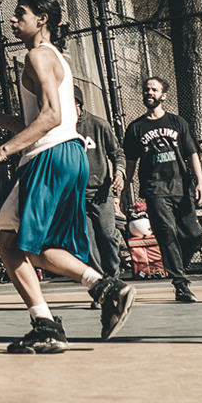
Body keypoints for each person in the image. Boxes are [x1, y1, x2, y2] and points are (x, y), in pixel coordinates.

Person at [0, 0, 136, 351]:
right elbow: (35, 120)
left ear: (42, 19)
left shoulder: (38, 55)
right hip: (71, 155)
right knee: (34, 244)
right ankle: (101, 289)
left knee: (6, 240)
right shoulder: (54, 56)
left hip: (48, 156)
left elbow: (50, 117)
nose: (13, 20)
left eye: (21, 13)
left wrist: (0, 152)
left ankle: (50, 321)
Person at [123, 76, 202, 302]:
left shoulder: (177, 122)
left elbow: (192, 154)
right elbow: (130, 162)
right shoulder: (136, 128)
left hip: (181, 187)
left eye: (154, 89)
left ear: (164, 95)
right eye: (146, 89)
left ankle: (179, 266)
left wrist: (200, 183)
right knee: (167, 234)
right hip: (155, 190)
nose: (149, 92)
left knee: (193, 234)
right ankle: (181, 284)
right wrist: (124, 191)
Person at [76, 86, 126, 296]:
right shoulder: (60, 128)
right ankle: (100, 286)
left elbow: (117, 153)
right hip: (76, 195)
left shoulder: (98, 125)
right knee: (88, 241)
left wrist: (119, 172)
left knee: (108, 236)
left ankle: (114, 279)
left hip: (101, 193)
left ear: (78, 104)